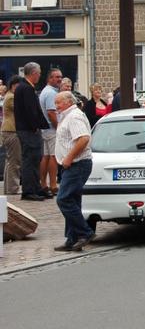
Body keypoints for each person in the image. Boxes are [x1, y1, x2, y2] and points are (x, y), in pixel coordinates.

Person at [53, 91, 95, 252]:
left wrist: (69, 157)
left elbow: (83, 138)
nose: (56, 106)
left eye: (59, 103)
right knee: (73, 200)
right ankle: (72, 238)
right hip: (72, 164)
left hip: (77, 163)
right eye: (55, 103)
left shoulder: (74, 116)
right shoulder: (67, 116)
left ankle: (85, 232)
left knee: (63, 199)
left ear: (69, 102)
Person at [14, 62, 50, 201]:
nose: (39, 76)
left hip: (27, 129)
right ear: (33, 73)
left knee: (35, 159)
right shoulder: (26, 88)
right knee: (30, 159)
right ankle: (29, 190)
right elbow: (31, 111)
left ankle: (35, 188)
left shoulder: (23, 87)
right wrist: (35, 126)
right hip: (29, 130)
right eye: (39, 73)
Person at [39, 68, 62, 197]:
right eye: (56, 77)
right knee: (53, 156)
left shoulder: (45, 91)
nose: (59, 79)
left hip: (45, 129)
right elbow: (51, 112)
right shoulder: (51, 93)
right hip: (51, 129)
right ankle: (53, 185)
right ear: (49, 79)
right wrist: (59, 128)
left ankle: (44, 184)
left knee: (46, 156)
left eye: (60, 77)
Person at [2, 76, 23, 194]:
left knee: (10, 160)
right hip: (11, 131)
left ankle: (9, 187)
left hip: (8, 131)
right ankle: (13, 188)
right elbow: (21, 110)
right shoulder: (11, 97)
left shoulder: (9, 96)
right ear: (13, 85)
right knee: (15, 160)